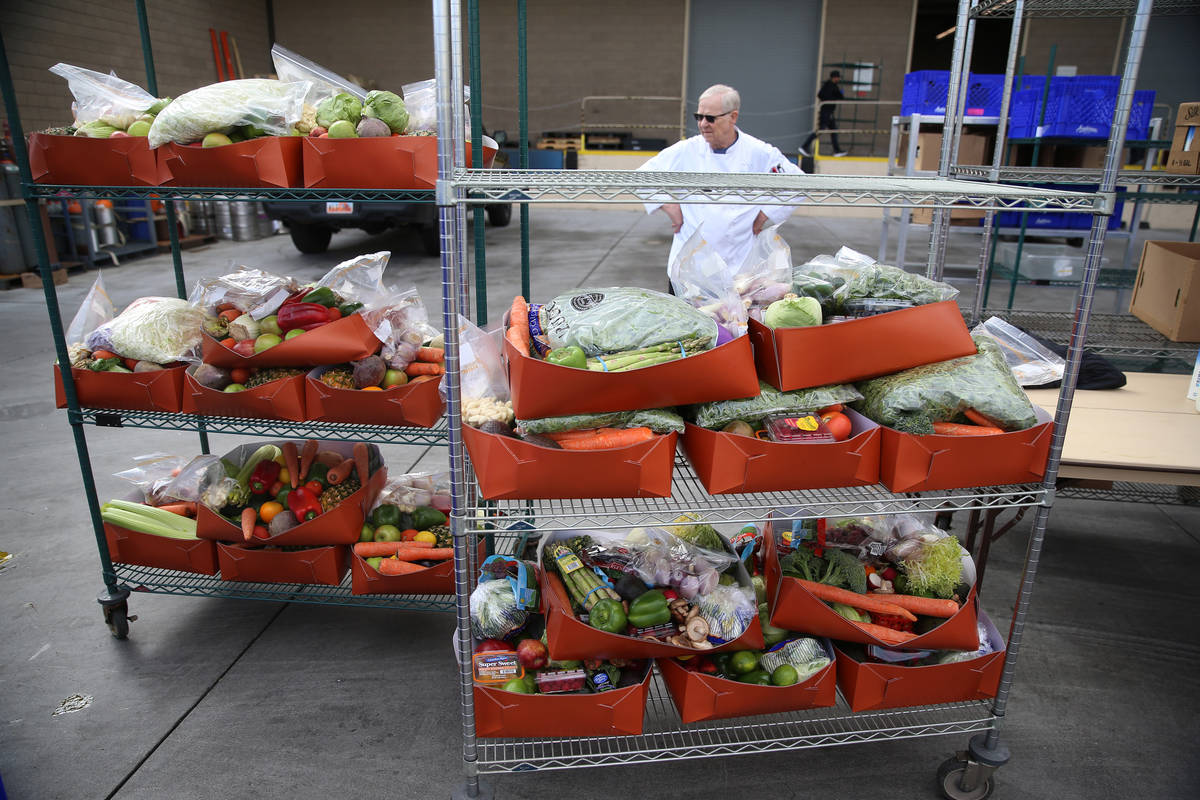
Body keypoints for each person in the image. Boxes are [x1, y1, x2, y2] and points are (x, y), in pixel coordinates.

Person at [638, 84, 804, 273]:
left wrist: (766, 214)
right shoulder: (686, 150)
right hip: (689, 269)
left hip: (738, 267)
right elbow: (641, 177)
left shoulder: (758, 152)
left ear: (733, 117)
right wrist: (668, 205)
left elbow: (798, 184)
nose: (702, 124)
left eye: (710, 118)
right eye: (699, 117)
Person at [799, 70, 848, 158]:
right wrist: (834, 96)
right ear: (835, 77)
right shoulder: (830, 86)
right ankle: (804, 146)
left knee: (833, 130)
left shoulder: (829, 85)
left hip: (828, 112)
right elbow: (833, 96)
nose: (838, 79)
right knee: (821, 130)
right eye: (838, 77)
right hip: (827, 112)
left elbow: (822, 95)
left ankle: (837, 150)